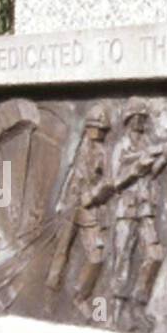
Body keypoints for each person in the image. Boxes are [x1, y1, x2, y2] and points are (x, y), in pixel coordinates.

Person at [111, 98, 167, 333]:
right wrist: (137, 167)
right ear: (129, 119)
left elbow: (152, 174)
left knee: (155, 254)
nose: (143, 121)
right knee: (124, 258)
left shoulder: (148, 142)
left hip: (146, 208)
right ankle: (117, 312)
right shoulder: (121, 146)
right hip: (127, 210)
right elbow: (116, 182)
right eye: (138, 117)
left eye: (144, 117)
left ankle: (138, 304)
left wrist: (165, 157)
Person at [46, 104, 114, 320]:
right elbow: (70, 173)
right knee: (61, 253)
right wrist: (60, 201)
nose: (99, 133)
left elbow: (108, 182)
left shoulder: (105, 153)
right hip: (70, 206)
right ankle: (49, 297)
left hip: (88, 207)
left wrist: (94, 195)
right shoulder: (78, 146)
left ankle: (80, 296)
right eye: (96, 128)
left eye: (102, 130)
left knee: (98, 256)